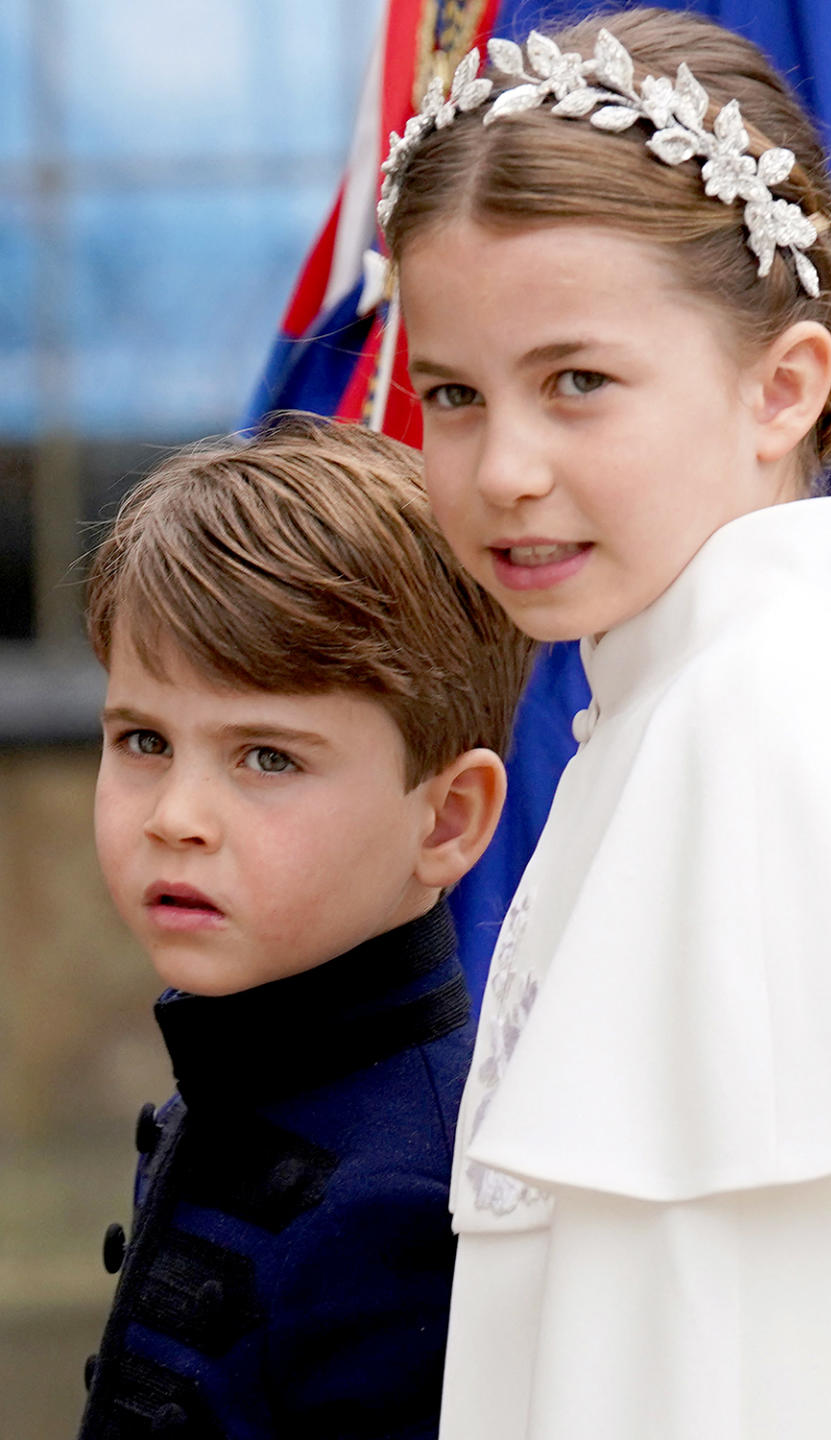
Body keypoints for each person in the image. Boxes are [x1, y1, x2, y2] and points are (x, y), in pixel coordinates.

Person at [379, 8, 831, 1438]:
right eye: (453, 395)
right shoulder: (675, 705)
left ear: (783, 386)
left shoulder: (760, 738)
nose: (504, 468)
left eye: (578, 383)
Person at [75, 415, 535, 1439]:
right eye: (144, 739)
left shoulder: (412, 1204)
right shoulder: (246, 1063)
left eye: (267, 758)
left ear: (448, 817)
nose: (176, 817)